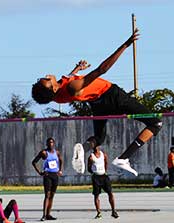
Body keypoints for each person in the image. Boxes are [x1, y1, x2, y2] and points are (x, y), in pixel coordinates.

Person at [31, 28, 159, 176]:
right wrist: (125, 45)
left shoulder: (57, 94)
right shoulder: (72, 87)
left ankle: (83, 148)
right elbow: (101, 70)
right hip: (111, 95)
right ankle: (124, 158)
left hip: (97, 103)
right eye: (47, 79)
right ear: (53, 88)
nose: (47, 75)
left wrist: (77, 68)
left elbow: (68, 79)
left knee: (99, 138)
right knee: (156, 123)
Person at [32, 137, 63, 221]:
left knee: (52, 196)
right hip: (48, 175)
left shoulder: (57, 152)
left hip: (55, 175)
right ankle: (44, 215)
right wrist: (40, 172)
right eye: (49, 142)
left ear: (54, 143)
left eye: (52, 142)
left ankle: (48, 214)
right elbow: (34, 162)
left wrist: (60, 170)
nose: (50, 144)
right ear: (46, 144)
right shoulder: (44, 153)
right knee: (47, 195)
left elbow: (60, 160)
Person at [87, 138, 117, 219]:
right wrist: (94, 171)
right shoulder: (91, 157)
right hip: (96, 177)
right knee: (96, 196)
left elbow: (106, 163)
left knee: (110, 193)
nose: (93, 146)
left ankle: (113, 211)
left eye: (93, 144)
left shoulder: (103, 155)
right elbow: (89, 169)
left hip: (104, 176)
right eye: (92, 145)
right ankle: (99, 212)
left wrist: (104, 171)